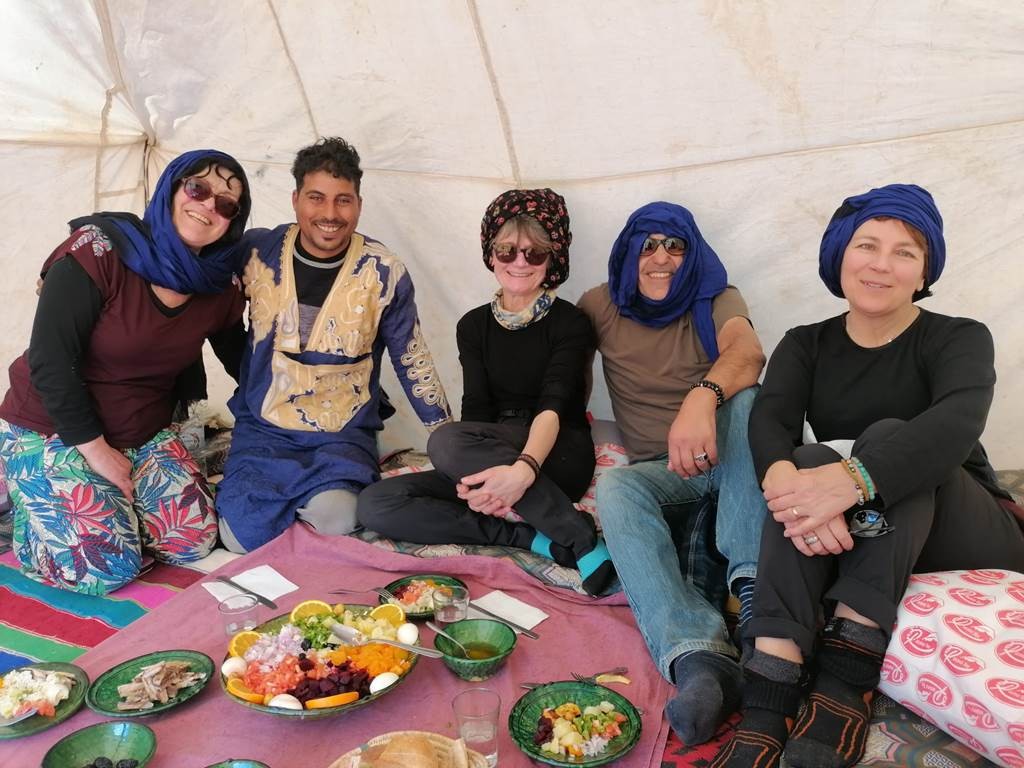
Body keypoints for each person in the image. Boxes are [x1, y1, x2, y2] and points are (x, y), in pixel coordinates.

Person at [711, 184, 1024, 768]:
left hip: (964, 529)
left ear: (924, 268)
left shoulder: (959, 337)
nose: (882, 264)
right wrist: (785, 483)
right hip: (871, 531)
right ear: (839, 257)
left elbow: (956, 425)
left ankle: (843, 679)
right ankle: (770, 690)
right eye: (867, 246)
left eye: (905, 251)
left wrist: (852, 480)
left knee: (885, 436)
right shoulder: (805, 343)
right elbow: (771, 421)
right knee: (802, 464)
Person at [0, 149, 252, 594]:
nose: (210, 206)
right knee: (108, 569)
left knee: (191, 541)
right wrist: (97, 454)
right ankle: (33, 532)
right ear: (172, 189)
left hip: (141, 430)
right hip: (55, 428)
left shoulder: (219, 284)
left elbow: (244, 363)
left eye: (227, 203)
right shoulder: (98, 251)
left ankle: (114, 515)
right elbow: (49, 360)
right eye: (199, 189)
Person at [358, 188, 616, 596]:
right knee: (376, 502)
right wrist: (472, 481)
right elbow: (476, 410)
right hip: (489, 452)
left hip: (555, 453)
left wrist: (522, 471)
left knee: (445, 440)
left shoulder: (570, 322)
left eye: (535, 253)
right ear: (490, 253)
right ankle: (528, 539)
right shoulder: (473, 326)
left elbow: (555, 404)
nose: (520, 262)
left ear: (553, 259)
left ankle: (579, 537)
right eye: (508, 250)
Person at [578, 201, 768, 744]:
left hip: (729, 459)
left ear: (692, 255)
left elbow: (747, 352)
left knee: (749, 397)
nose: (661, 258)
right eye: (648, 245)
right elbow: (553, 354)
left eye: (675, 245)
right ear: (628, 253)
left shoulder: (716, 296)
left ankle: (753, 600)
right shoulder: (599, 304)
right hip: (665, 475)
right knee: (615, 487)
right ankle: (701, 661)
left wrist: (702, 399)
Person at [215, 137, 451, 553]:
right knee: (239, 538)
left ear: (359, 204)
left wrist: (447, 440)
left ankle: (308, 512)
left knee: (340, 517)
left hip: (341, 436)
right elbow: (207, 300)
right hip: (264, 429)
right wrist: (245, 373)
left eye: (343, 201)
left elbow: (411, 358)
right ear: (295, 199)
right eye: (316, 198)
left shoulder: (384, 272)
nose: (329, 214)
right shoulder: (257, 250)